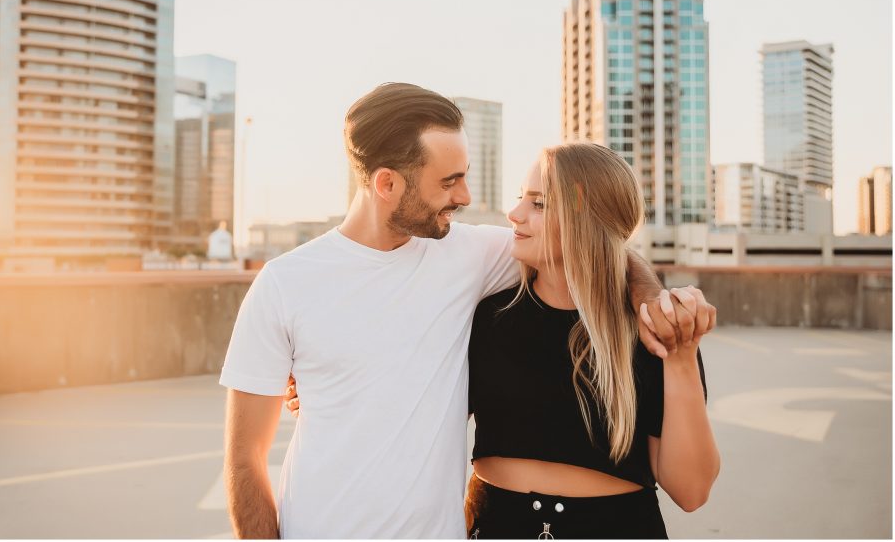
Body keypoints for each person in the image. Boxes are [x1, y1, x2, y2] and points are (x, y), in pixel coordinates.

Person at [220, 83, 713, 539]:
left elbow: (595, 239)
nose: (468, 197)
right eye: (449, 181)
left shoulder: (471, 256)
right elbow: (245, 461)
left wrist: (652, 300)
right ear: (387, 184)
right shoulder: (285, 284)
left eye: (465, 177)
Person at [466, 143, 720, 539]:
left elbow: (691, 491)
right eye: (521, 198)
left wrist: (681, 356)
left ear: (585, 220)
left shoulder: (649, 331)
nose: (514, 214)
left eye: (539, 203)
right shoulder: (486, 318)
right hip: (496, 525)